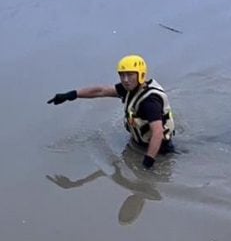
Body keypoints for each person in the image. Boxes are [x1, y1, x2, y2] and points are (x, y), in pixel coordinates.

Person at [47, 55, 175, 169]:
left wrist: (148, 162)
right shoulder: (129, 88)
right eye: (122, 75)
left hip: (159, 152)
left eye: (130, 75)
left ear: (140, 75)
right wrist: (71, 95)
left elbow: (157, 133)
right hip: (138, 144)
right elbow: (100, 91)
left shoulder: (150, 102)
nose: (125, 80)